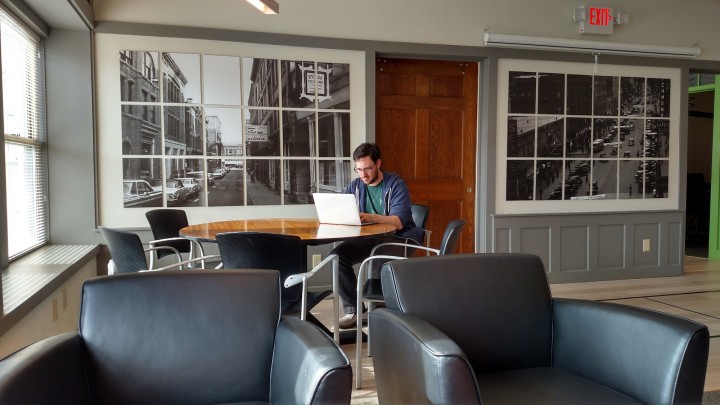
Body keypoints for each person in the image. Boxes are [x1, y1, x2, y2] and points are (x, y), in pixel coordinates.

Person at [331, 142, 423, 329]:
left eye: (367, 169)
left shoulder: (395, 184)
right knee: (337, 256)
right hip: (372, 239)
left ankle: (380, 317)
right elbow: (339, 206)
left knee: (376, 257)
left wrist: (369, 217)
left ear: (378, 164)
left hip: (401, 238)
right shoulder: (356, 186)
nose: (363, 175)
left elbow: (398, 222)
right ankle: (355, 311)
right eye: (358, 169)